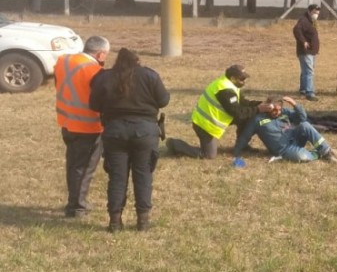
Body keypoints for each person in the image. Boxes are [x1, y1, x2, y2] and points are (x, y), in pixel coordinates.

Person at [89, 48, 170, 232]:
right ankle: (143, 221)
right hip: (145, 131)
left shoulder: (105, 77)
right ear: (137, 60)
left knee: (117, 177)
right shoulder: (149, 75)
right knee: (143, 175)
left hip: (115, 131)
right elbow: (164, 100)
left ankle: (115, 222)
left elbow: (93, 104)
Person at [166, 64, 275, 159]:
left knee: (249, 115)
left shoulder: (230, 84)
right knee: (208, 155)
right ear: (232, 78)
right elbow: (238, 113)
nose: (244, 81)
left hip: (214, 119)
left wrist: (259, 104)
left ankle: (242, 146)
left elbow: (243, 103)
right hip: (204, 125)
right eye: (242, 79)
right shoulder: (224, 90)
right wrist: (258, 109)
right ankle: (174, 144)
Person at [54, 35, 110, 218]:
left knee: (73, 165)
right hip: (88, 127)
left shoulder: (63, 61)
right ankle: (77, 206)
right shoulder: (96, 72)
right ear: (100, 54)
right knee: (84, 168)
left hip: (66, 122)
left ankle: (74, 200)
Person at [233, 95, 337, 166]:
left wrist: (295, 104)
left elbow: (302, 118)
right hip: (284, 149)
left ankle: (327, 152)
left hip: (295, 138)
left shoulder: (284, 112)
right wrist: (236, 151)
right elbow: (245, 136)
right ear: (267, 107)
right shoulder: (258, 120)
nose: (277, 112)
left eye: (279, 109)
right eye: (274, 109)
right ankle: (318, 154)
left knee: (305, 125)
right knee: (301, 157)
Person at [293, 4, 321, 101]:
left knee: (305, 71)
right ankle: (310, 92)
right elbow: (296, 30)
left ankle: (303, 90)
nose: (316, 15)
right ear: (309, 11)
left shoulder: (312, 21)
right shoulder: (304, 20)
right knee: (309, 71)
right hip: (305, 51)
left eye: (317, 13)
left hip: (311, 51)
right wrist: (303, 41)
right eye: (314, 12)